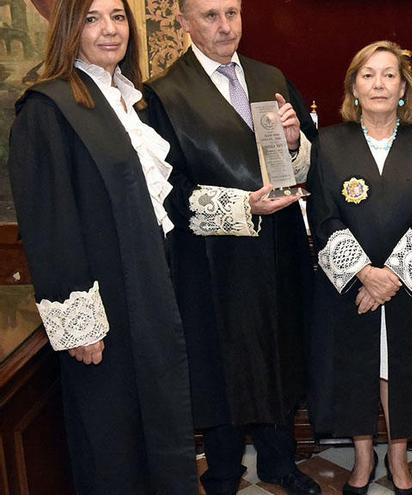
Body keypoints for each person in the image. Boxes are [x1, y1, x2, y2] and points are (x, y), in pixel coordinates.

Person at [7, 0, 197, 492]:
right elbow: (49, 225)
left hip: (148, 291)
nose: (109, 30)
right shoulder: (48, 108)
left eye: (117, 17)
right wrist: (79, 326)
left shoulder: (128, 101)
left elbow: (159, 204)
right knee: (114, 438)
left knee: (156, 422)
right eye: (92, 19)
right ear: (70, 28)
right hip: (104, 305)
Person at [143, 0, 320, 493]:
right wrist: (244, 207)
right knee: (221, 361)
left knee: (279, 351)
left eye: (232, 13)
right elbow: (167, 191)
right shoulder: (163, 94)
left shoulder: (270, 77)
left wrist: (291, 142)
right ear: (184, 22)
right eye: (210, 16)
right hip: (211, 259)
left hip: (280, 248)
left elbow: (306, 165)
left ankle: (281, 463)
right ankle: (222, 469)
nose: (225, 27)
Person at [308, 40, 412, 495]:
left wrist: (391, 277)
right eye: (368, 75)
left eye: (389, 75)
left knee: (400, 367)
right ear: (353, 86)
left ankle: (398, 457)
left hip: (408, 285)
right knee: (357, 367)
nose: (379, 84)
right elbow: (324, 215)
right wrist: (364, 274)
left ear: (404, 88)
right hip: (352, 286)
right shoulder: (328, 143)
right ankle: (364, 457)